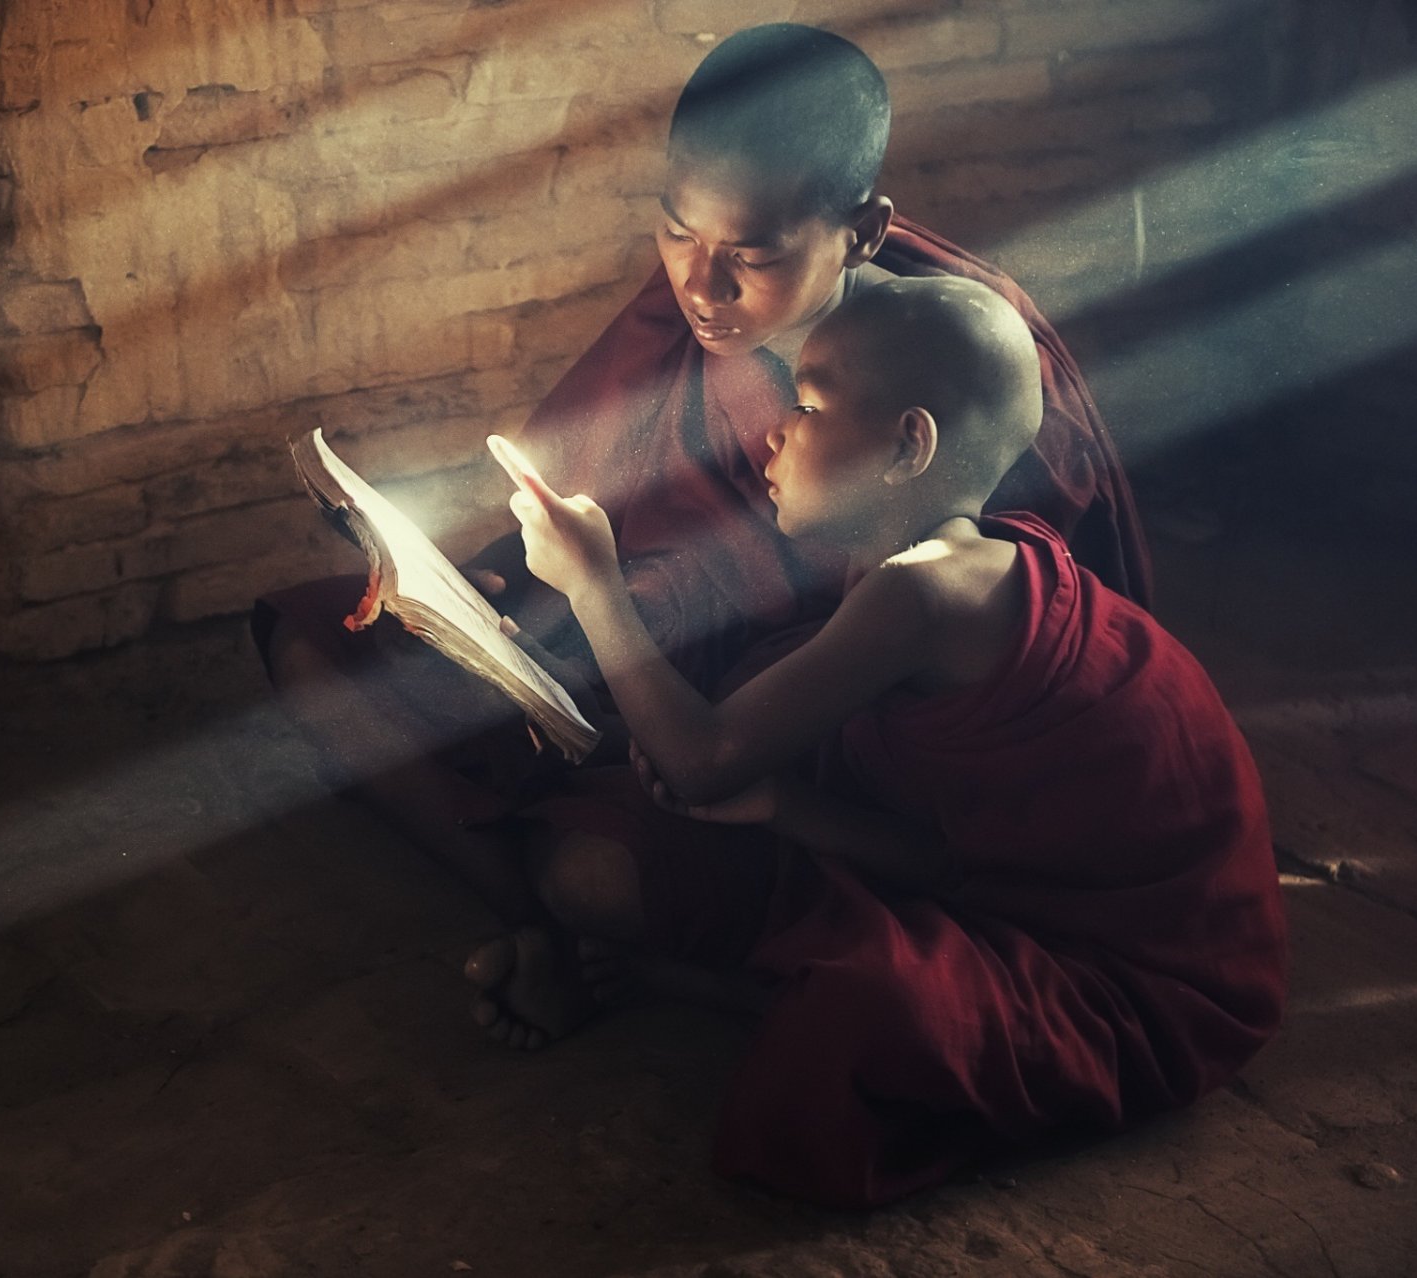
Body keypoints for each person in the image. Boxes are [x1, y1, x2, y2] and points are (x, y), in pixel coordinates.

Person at [253, 25, 1149, 1005]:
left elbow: (987, 698)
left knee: (597, 870)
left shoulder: (955, 376)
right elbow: (600, 497)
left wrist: (619, 625)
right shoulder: (697, 309)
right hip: (626, 674)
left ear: (864, 231)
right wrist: (495, 595)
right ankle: (545, 928)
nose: (701, 286)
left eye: (750, 257)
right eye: (678, 231)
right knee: (319, 651)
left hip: (790, 753)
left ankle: (551, 921)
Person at [481, 276, 1287, 1206]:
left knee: (873, 1008)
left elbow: (700, 759)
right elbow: (937, 853)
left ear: (912, 443)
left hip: (1142, 974)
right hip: (979, 882)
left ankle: (671, 985)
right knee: (606, 856)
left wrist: (594, 585)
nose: (774, 433)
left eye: (809, 406)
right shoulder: (913, 568)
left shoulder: (931, 589)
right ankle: (675, 972)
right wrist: (781, 801)